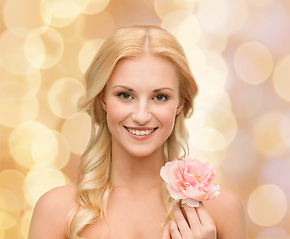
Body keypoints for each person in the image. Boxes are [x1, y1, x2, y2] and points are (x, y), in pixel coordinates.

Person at [28, 25, 247, 239]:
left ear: (180, 103)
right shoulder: (55, 211)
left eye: (160, 97)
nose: (141, 116)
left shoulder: (222, 211)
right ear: (103, 98)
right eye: (125, 95)